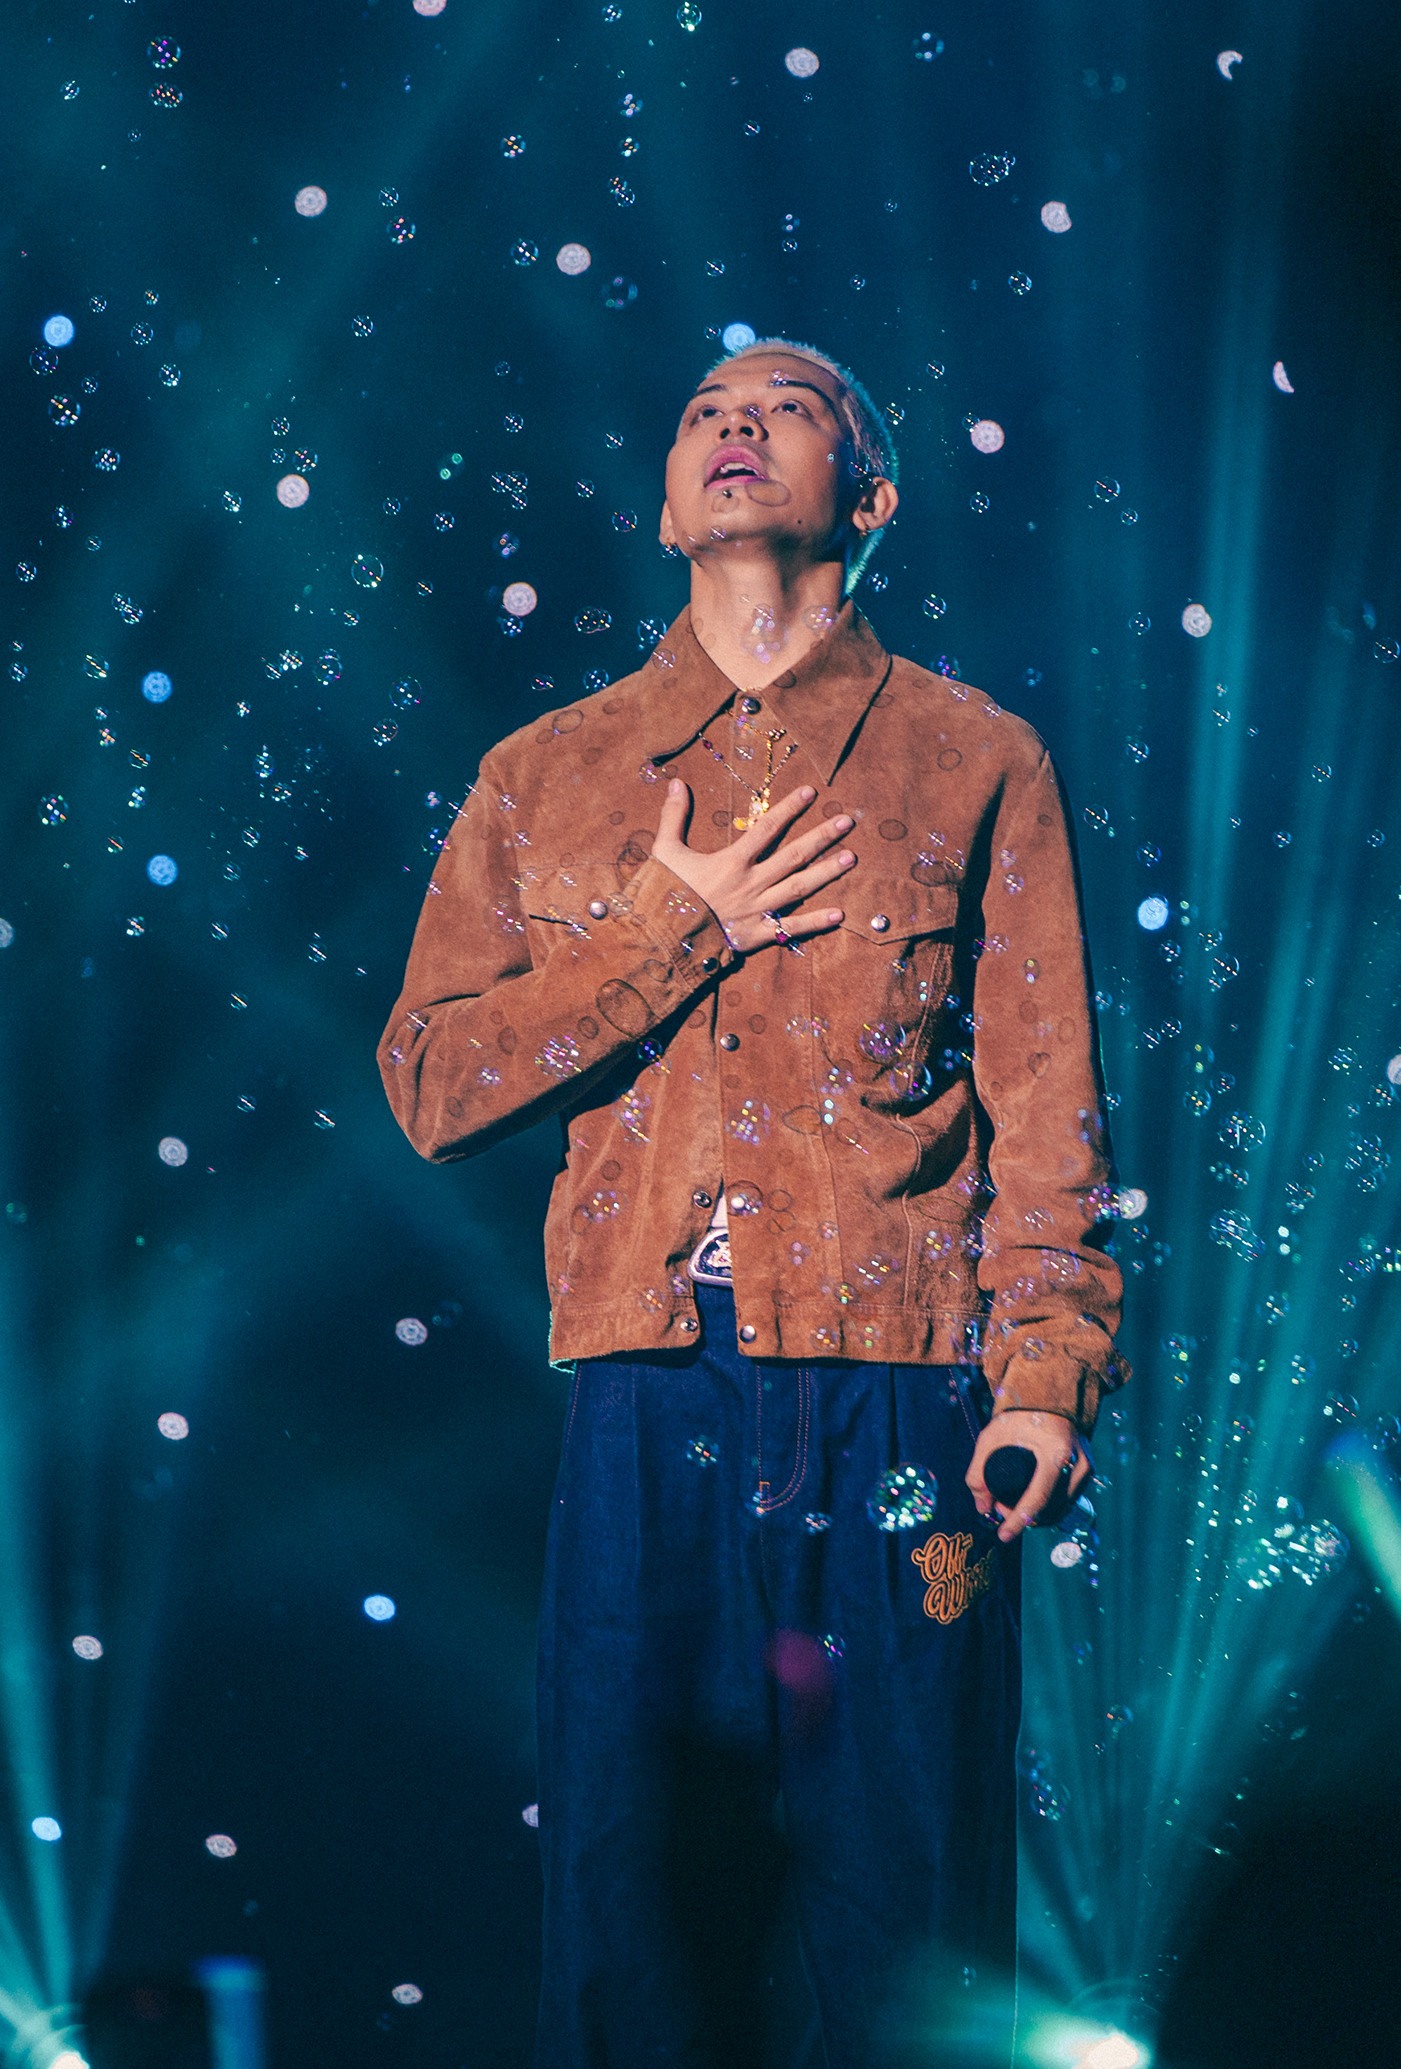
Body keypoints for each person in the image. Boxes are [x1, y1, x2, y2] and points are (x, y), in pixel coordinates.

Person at [379, 339, 1124, 2065]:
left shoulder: (974, 757)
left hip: (903, 1390)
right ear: (663, 509)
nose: (737, 422)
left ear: (868, 499)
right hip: (653, 1392)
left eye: (791, 409)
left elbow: (1044, 1097)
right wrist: (672, 924)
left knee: (909, 1922)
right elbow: (430, 1083)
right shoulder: (545, 773)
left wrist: (1044, 1373)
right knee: (632, 1913)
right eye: (706, 413)